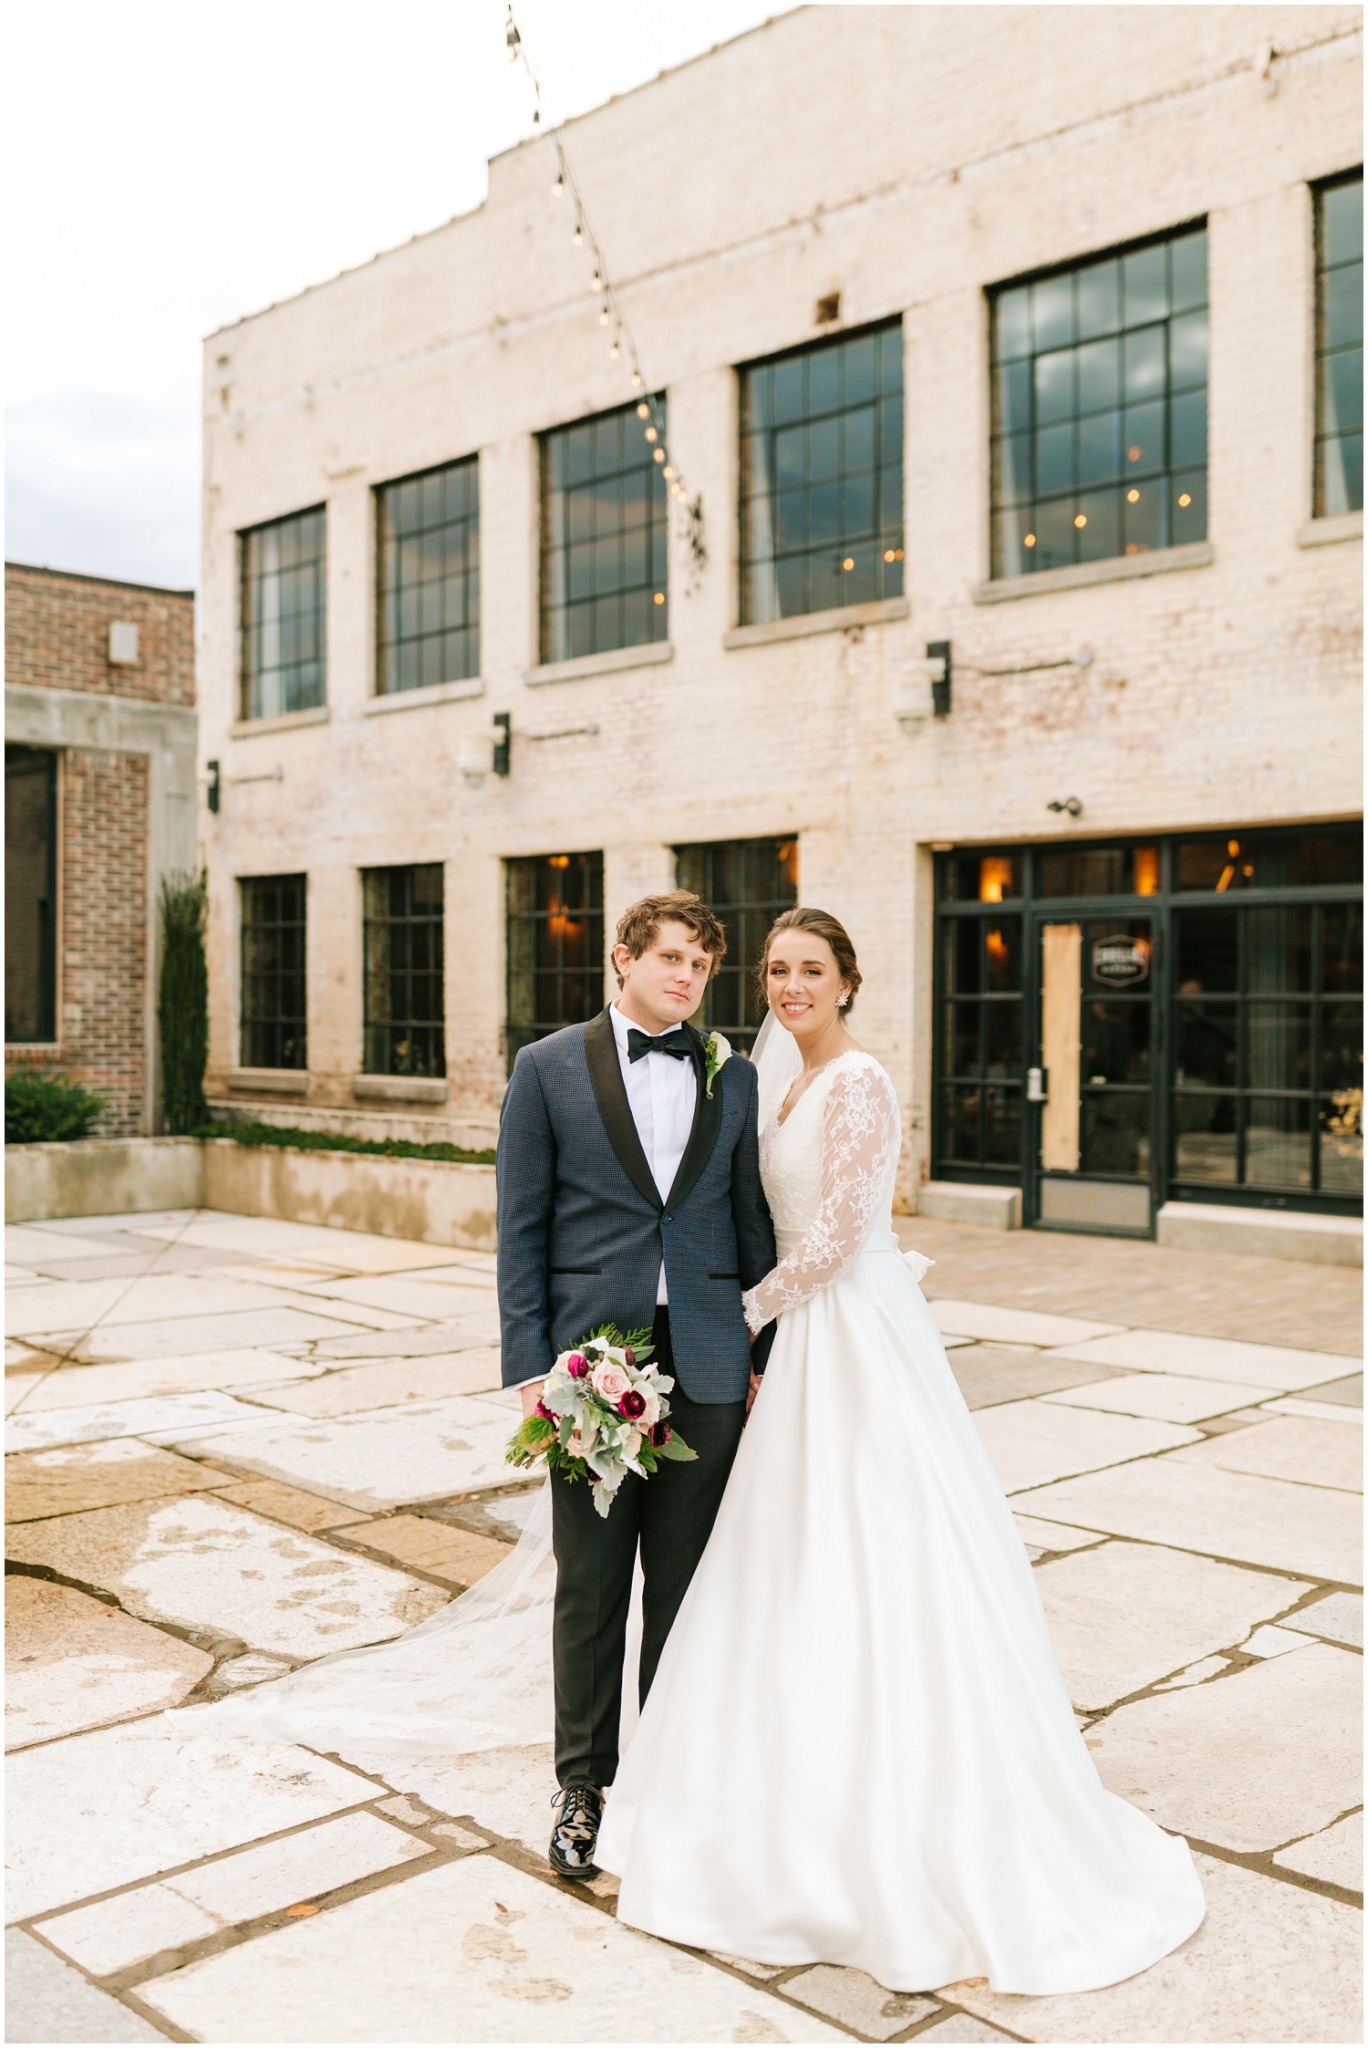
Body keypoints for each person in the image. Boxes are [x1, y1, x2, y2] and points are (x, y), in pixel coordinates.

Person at [591, 905, 1206, 1994]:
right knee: (782, 1560)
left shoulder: (862, 1081)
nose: (790, 986)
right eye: (777, 969)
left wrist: (741, 1314)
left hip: (852, 1331)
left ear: (848, 980)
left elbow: (835, 1232)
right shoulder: (768, 1077)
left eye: (810, 969)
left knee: (878, 1549)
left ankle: (910, 1820)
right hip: (796, 1337)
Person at [496, 889, 776, 1879]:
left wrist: (761, 1360)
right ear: (623, 959)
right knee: (593, 1583)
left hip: (705, 1356)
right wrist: (531, 1364)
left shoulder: (730, 1075)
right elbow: (520, 1224)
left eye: (701, 965)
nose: (688, 978)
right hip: (591, 1364)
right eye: (671, 959)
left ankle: (668, 1776)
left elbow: (749, 1220)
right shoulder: (544, 1069)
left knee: (687, 1586)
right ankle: (585, 1783)